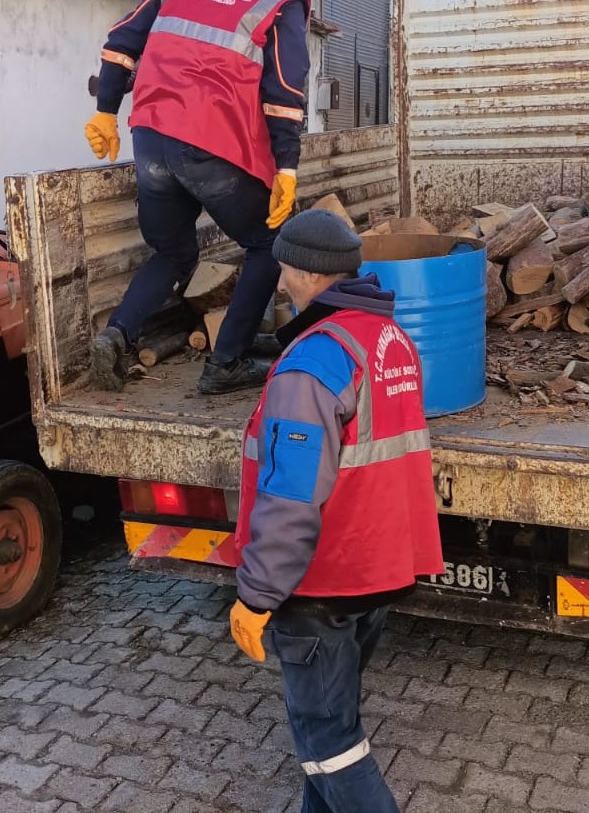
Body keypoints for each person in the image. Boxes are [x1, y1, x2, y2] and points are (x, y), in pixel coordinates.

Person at [228, 208, 444, 813]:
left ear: (298, 271)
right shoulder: (389, 338)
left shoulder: (312, 362)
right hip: (377, 567)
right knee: (328, 735)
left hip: (321, 579)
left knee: (329, 742)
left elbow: (292, 498)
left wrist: (256, 595)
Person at [83, 0, 311, 394]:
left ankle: (117, 335)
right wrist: (286, 167)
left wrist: (106, 111)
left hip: (149, 137)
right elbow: (285, 91)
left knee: (174, 250)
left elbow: (120, 44)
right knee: (269, 243)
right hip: (211, 142)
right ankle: (226, 361)